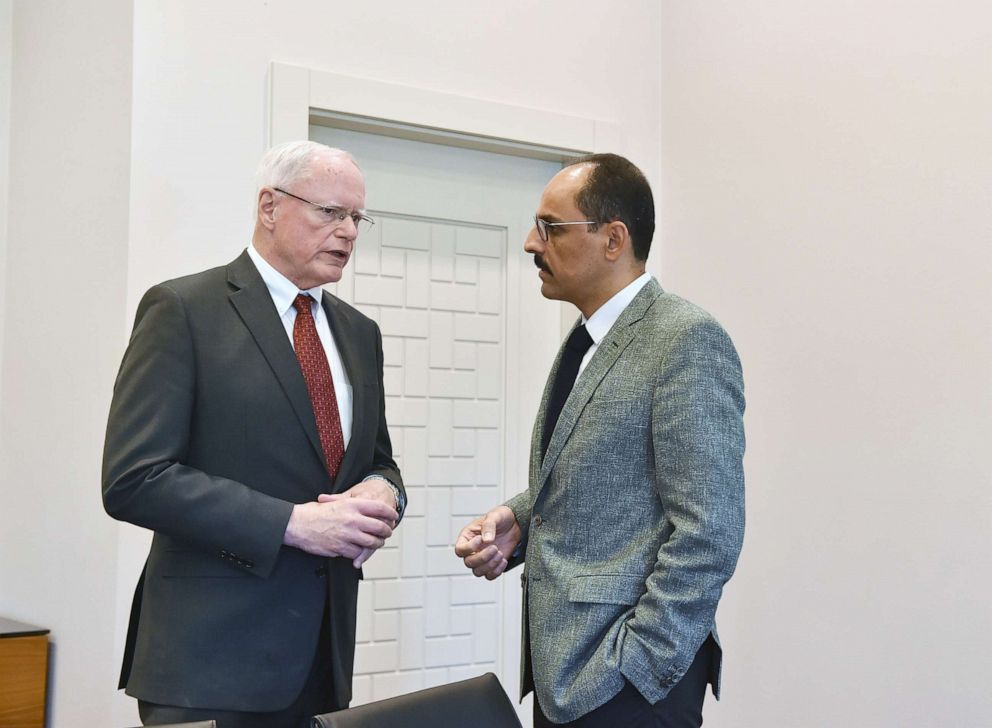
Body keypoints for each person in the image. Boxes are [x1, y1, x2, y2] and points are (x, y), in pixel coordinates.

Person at [103, 141, 406, 727]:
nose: (347, 232)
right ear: (270, 206)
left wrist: (386, 492)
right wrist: (293, 524)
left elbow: (378, 461)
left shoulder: (358, 332)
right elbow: (134, 479)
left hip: (322, 659)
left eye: (356, 218)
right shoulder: (184, 309)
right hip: (207, 663)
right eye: (330, 213)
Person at [455, 153, 745, 727]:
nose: (530, 244)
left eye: (550, 227)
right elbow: (600, 479)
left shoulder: (685, 340)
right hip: (565, 673)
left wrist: (637, 663)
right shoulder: (584, 340)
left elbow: (710, 530)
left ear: (613, 239)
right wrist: (520, 517)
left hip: (627, 685)